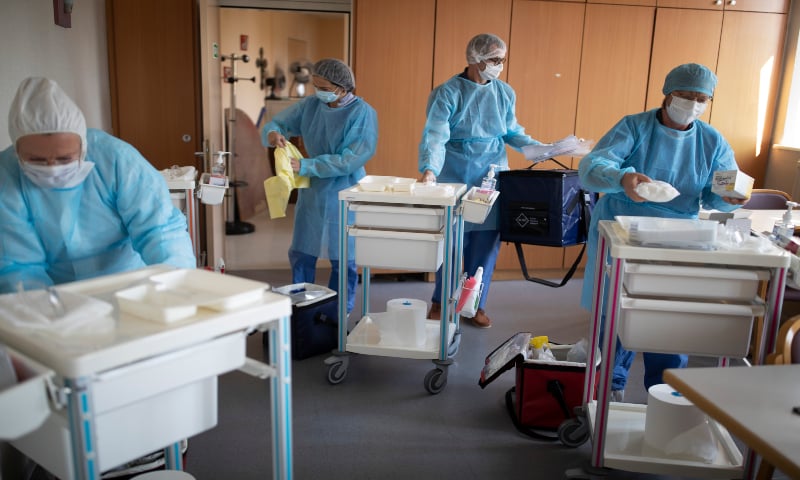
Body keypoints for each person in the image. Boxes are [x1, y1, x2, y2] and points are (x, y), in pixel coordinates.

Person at [577, 63, 746, 400]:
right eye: (686, 95)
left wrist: (730, 197)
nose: (693, 104)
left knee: (669, 319)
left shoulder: (711, 141)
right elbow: (592, 167)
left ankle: (666, 393)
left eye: (701, 99)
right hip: (623, 232)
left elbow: (718, 191)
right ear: (668, 94)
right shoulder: (634, 127)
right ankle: (608, 387)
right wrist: (623, 178)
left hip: (676, 239)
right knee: (618, 315)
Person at [0, 77, 195, 294]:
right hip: (57, 294)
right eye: (37, 160)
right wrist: (42, 307)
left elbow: (161, 232)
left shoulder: (116, 160)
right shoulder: (5, 176)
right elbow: (17, 265)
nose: (53, 169)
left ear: (83, 147)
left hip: (129, 285)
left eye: (65, 159)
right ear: (17, 151)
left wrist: (176, 285)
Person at [418, 33, 542, 329]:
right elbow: (436, 135)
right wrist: (430, 169)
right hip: (454, 174)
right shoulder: (447, 93)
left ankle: (473, 305)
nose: (500, 65)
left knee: (485, 245)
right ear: (475, 58)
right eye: (494, 59)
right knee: (450, 244)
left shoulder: (504, 92)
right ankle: (440, 301)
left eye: (502, 60)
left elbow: (511, 131)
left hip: (491, 175)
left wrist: (540, 148)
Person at [261, 58, 378, 313]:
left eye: (323, 88)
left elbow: (350, 159)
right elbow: (279, 123)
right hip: (313, 190)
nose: (318, 92)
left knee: (343, 256)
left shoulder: (362, 113)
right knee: (303, 250)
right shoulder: (311, 105)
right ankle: (302, 308)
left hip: (346, 189)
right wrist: (273, 134)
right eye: (316, 86)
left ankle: (339, 312)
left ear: (342, 88)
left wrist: (307, 165)